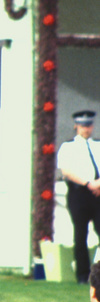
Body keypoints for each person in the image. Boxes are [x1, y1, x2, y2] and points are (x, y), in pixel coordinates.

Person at [57, 110, 100, 283]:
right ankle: (83, 275)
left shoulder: (98, 145)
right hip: (79, 193)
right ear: (76, 126)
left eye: (89, 125)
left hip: (98, 193)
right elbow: (66, 171)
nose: (86, 129)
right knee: (80, 234)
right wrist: (88, 183)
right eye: (83, 126)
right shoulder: (68, 146)